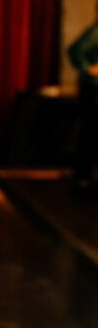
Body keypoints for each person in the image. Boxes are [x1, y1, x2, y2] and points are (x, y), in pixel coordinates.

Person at [67, 19, 98, 196]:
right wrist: (89, 69)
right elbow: (74, 51)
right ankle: (83, 179)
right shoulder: (95, 32)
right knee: (90, 134)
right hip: (93, 89)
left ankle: (85, 177)